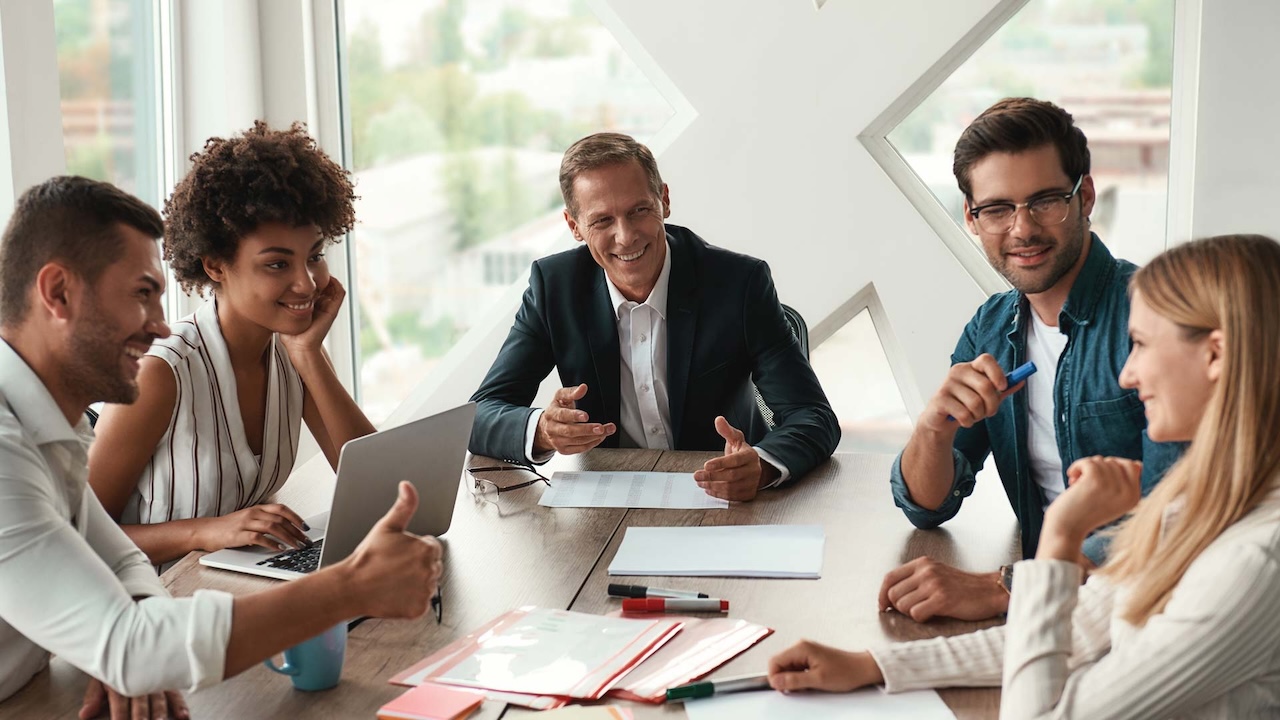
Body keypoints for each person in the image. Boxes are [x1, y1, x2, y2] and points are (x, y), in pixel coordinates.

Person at [769, 234, 1280, 718]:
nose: (1128, 374)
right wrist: (874, 666)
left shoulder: (1251, 562)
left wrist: (1061, 535)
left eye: (1142, 344)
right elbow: (1075, 631)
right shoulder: (1197, 507)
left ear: (1215, 355)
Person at [0, 176, 442, 719]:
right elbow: (133, 642)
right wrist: (349, 588)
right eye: (141, 294)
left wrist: (138, 652)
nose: (160, 325)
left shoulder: (49, 424)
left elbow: (116, 558)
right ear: (58, 293)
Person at [880, 98, 1181, 622]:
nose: (1022, 229)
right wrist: (933, 429)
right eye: (998, 209)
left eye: (1044, 201)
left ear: (1085, 196)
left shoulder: (1157, 315)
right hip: (1050, 611)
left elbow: (1182, 508)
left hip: (1146, 609)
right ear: (972, 218)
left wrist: (1008, 586)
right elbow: (927, 506)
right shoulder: (990, 328)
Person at [468, 132, 839, 501]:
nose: (626, 236)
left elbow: (813, 415)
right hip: (607, 501)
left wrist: (761, 466)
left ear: (664, 200)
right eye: (602, 221)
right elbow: (478, 415)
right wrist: (541, 430)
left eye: (639, 211)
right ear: (574, 226)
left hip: (723, 497)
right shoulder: (554, 288)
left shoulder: (739, 284)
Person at [88, 122, 376, 566]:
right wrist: (206, 531)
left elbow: (379, 488)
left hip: (234, 582)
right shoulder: (161, 373)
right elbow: (81, 537)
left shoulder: (296, 353)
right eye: (277, 264)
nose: (306, 283)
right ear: (216, 266)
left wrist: (308, 355)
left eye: (315, 256)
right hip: (155, 594)